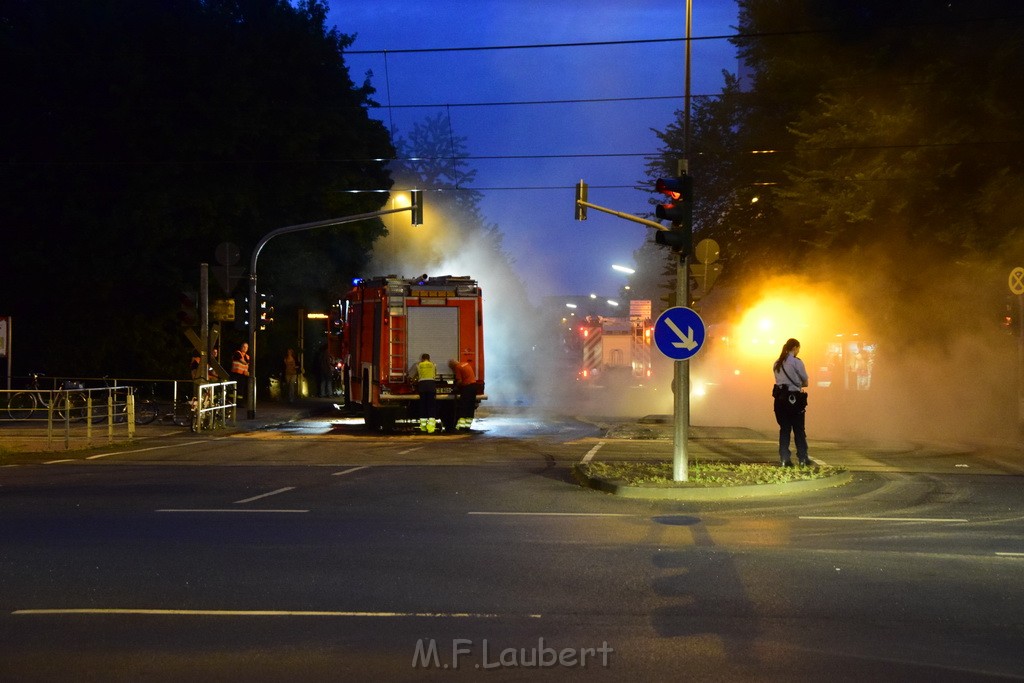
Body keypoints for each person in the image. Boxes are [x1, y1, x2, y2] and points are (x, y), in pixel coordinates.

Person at [772, 337, 811, 467]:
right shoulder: (796, 362)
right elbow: (805, 381)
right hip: (794, 399)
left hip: (780, 400)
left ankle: (784, 459)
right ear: (795, 348)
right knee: (799, 429)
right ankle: (803, 458)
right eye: (798, 349)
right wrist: (799, 383)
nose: (798, 351)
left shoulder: (777, 363)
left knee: (784, 429)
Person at [409, 353, 437, 433]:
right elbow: (435, 375)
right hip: (431, 385)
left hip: (422, 386)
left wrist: (415, 379)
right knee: (431, 405)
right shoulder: (433, 364)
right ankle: (431, 428)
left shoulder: (418, 365)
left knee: (423, 405)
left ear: (422, 358)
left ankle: (423, 427)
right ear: (429, 358)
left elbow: (411, 376)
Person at [448, 358, 479, 431]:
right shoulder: (466, 363)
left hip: (467, 388)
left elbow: (459, 381)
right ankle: (467, 426)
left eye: (451, 368)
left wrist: (455, 387)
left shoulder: (457, 367)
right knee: (470, 407)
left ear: (453, 365)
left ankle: (461, 427)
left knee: (463, 407)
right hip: (474, 387)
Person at [230, 342, 250, 407]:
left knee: (241, 390)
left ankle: (239, 403)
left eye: (246, 347)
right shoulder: (237, 353)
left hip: (242, 375)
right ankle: (231, 402)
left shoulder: (247, 356)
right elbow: (243, 361)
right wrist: (246, 363)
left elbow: (248, 364)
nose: (245, 348)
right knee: (233, 388)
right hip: (235, 374)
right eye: (244, 347)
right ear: (241, 347)